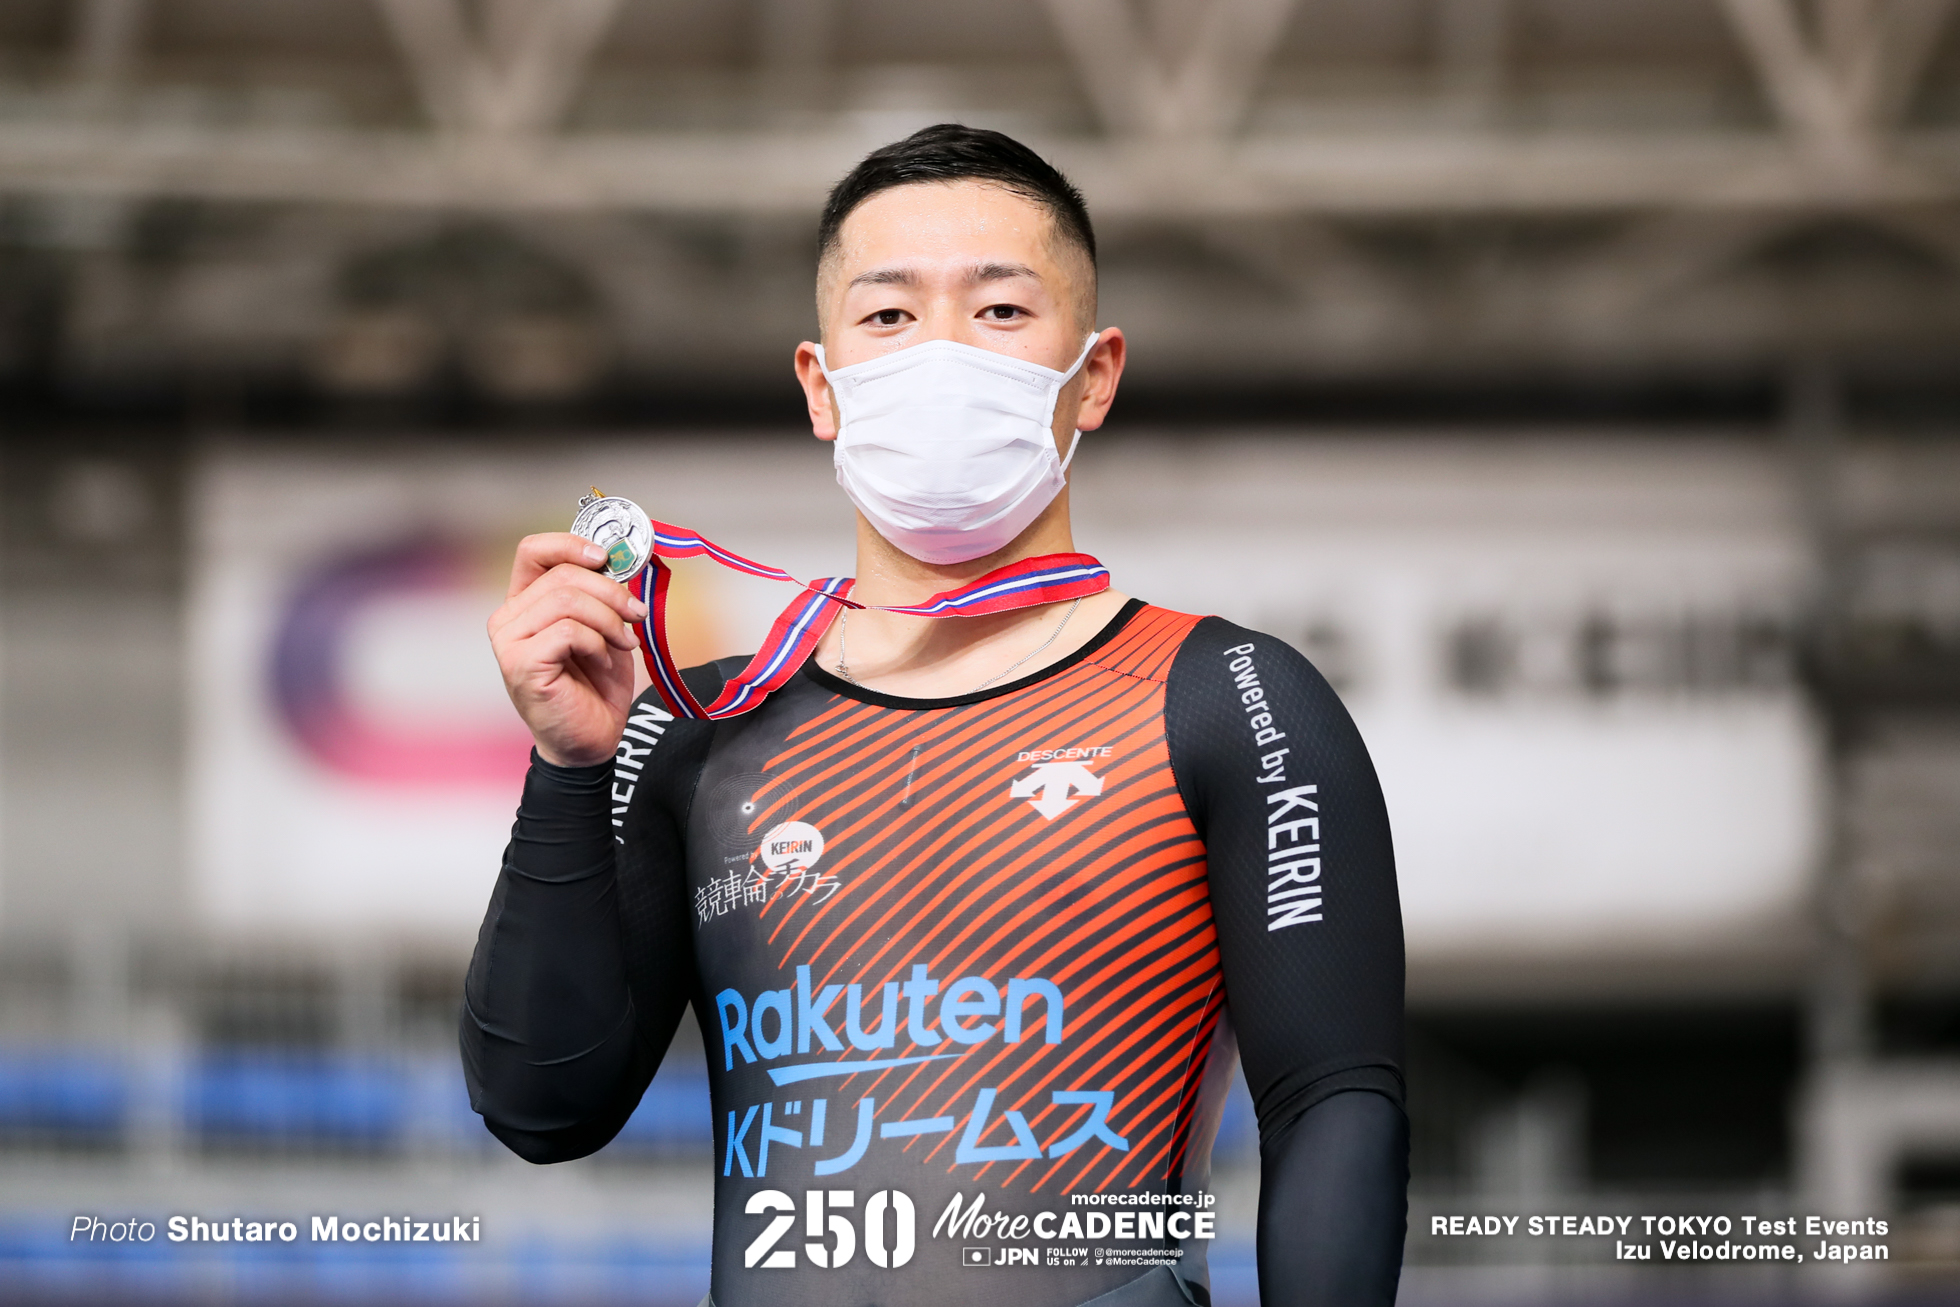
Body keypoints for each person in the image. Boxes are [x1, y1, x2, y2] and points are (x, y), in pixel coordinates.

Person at [468, 124, 1406, 1307]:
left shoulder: (1229, 699)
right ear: (822, 385)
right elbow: (541, 1105)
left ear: (1097, 373)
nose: (944, 355)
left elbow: (1336, 1106)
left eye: (1002, 312)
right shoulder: (697, 725)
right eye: (890, 317)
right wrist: (565, 766)